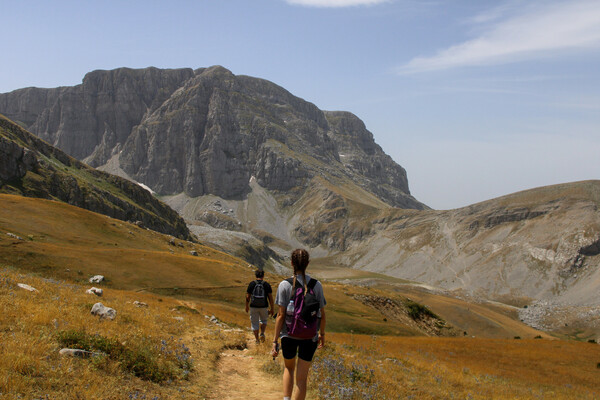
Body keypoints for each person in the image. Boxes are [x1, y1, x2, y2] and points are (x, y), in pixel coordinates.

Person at [271, 249, 326, 400]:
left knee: (288, 368)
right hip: (310, 337)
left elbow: (281, 315)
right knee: (302, 379)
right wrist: (321, 334)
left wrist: (275, 340)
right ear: (307, 264)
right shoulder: (317, 285)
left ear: (291, 263)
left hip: (288, 334)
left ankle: (286, 398)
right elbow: (322, 314)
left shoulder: (284, 285)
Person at [246, 269, 274, 344]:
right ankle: (262, 333)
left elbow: (248, 296)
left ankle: (257, 340)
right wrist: (272, 308)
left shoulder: (252, 284)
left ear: (256, 275)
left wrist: (246, 306)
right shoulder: (266, 284)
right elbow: (270, 298)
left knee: (254, 323)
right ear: (263, 276)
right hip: (264, 306)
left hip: (253, 306)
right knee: (263, 320)